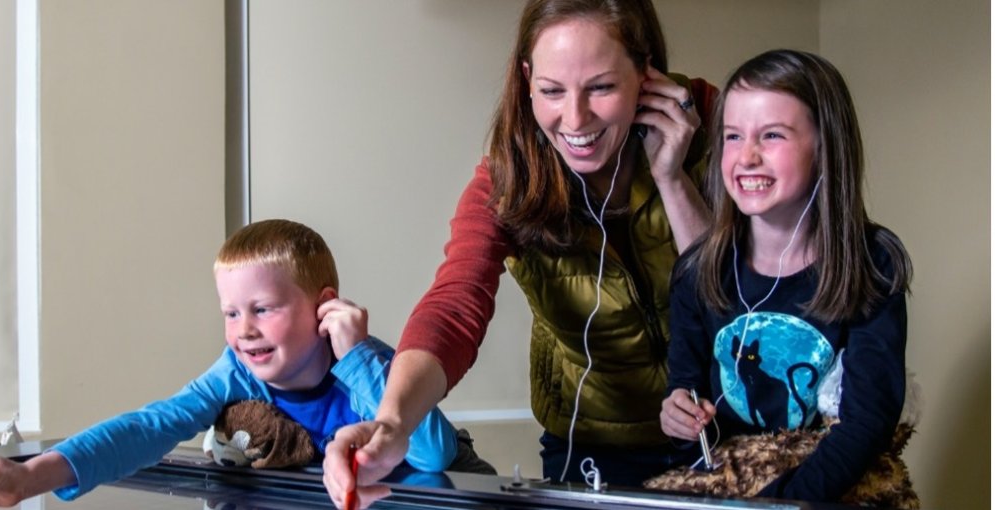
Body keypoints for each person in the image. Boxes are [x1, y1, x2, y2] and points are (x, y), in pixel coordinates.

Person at [324, 0, 719, 506]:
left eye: (601, 87)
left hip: (722, 427)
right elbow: (455, 302)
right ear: (527, 78)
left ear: (647, 73)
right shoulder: (509, 180)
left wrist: (673, 177)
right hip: (590, 444)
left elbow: (745, 298)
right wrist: (393, 422)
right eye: (552, 91)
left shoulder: (710, 122)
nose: (574, 119)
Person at [0, 219, 491, 507]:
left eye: (263, 309)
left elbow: (434, 451)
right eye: (230, 312)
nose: (243, 329)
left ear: (324, 306)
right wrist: (29, 478)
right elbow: (149, 426)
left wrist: (360, 356)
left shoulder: (368, 366)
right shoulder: (236, 373)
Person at [659, 49, 913, 501]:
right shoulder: (697, 272)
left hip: (828, 490)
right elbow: (690, 410)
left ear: (825, 147)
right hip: (732, 486)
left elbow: (868, 422)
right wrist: (680, 418)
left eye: (772, 135)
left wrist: (780, 503)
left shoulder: (872, 263)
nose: (747, 156)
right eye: (734, 136)